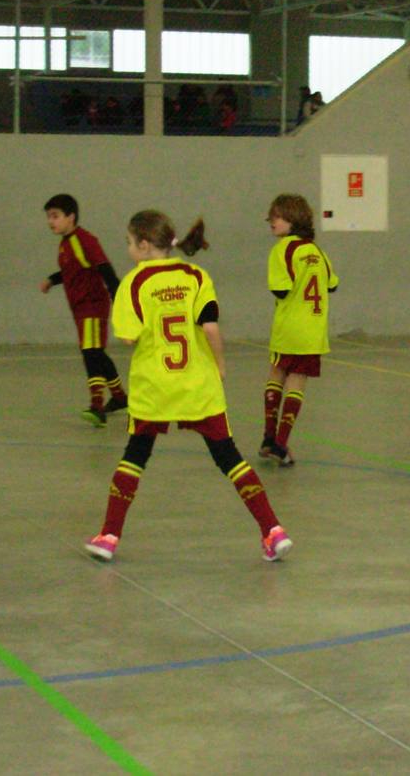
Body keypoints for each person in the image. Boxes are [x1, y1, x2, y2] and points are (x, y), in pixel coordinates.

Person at [84, 210, 293, 563]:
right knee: (229, 457)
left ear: (145, 244)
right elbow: (211, 328)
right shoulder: (196, 275)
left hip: (156, 388)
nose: (128, 249)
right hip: (199, 385)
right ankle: (273, 530)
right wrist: (220, 367)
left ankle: (108, 536)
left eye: (129, 243)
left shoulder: (134, 284)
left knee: (136, 454)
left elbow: (127, 337)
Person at [260, 194, 339, 467]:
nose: (271, 221)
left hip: (287, 328)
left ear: (292, 220)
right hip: (312, 331)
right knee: (296, 381)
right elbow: (332, 284)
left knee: (277, 374)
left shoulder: (282, 250)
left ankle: (271, 439)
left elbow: (280, 288)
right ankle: (280, 442)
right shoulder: (317, 252)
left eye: (276, 216)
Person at [40, 194, 128, 426]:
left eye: (55, 216)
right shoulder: (65, 243)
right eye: (48, 217)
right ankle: (120, 397)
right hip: (80, 309)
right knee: (96, 352)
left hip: (92, 306)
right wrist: (51, 279)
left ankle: (97, 406)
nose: (51, 221)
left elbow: (104, 268)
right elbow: (72, 272)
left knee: (91, 353)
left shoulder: (85, 240)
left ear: (71, 217)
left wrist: (117, 296)